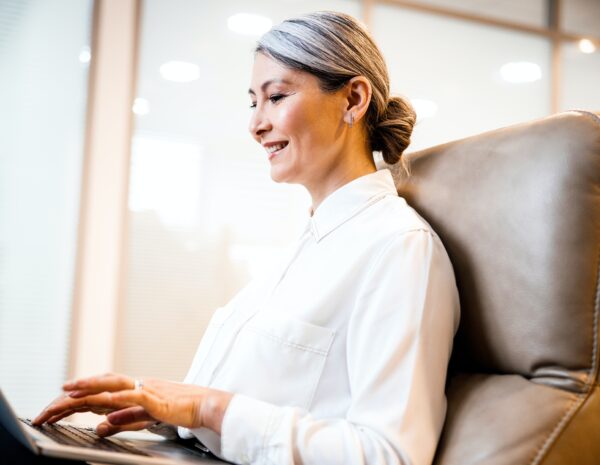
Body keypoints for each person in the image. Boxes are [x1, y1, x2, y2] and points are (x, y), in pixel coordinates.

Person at [33, 11, 459, 465]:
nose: (256, 124)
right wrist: (159, 407)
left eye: (276, 97)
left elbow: (389, 455)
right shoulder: (310, 243)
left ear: (353, 99)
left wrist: (208, 407)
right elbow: (257, 413)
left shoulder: (400, 249)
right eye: (252, 102)